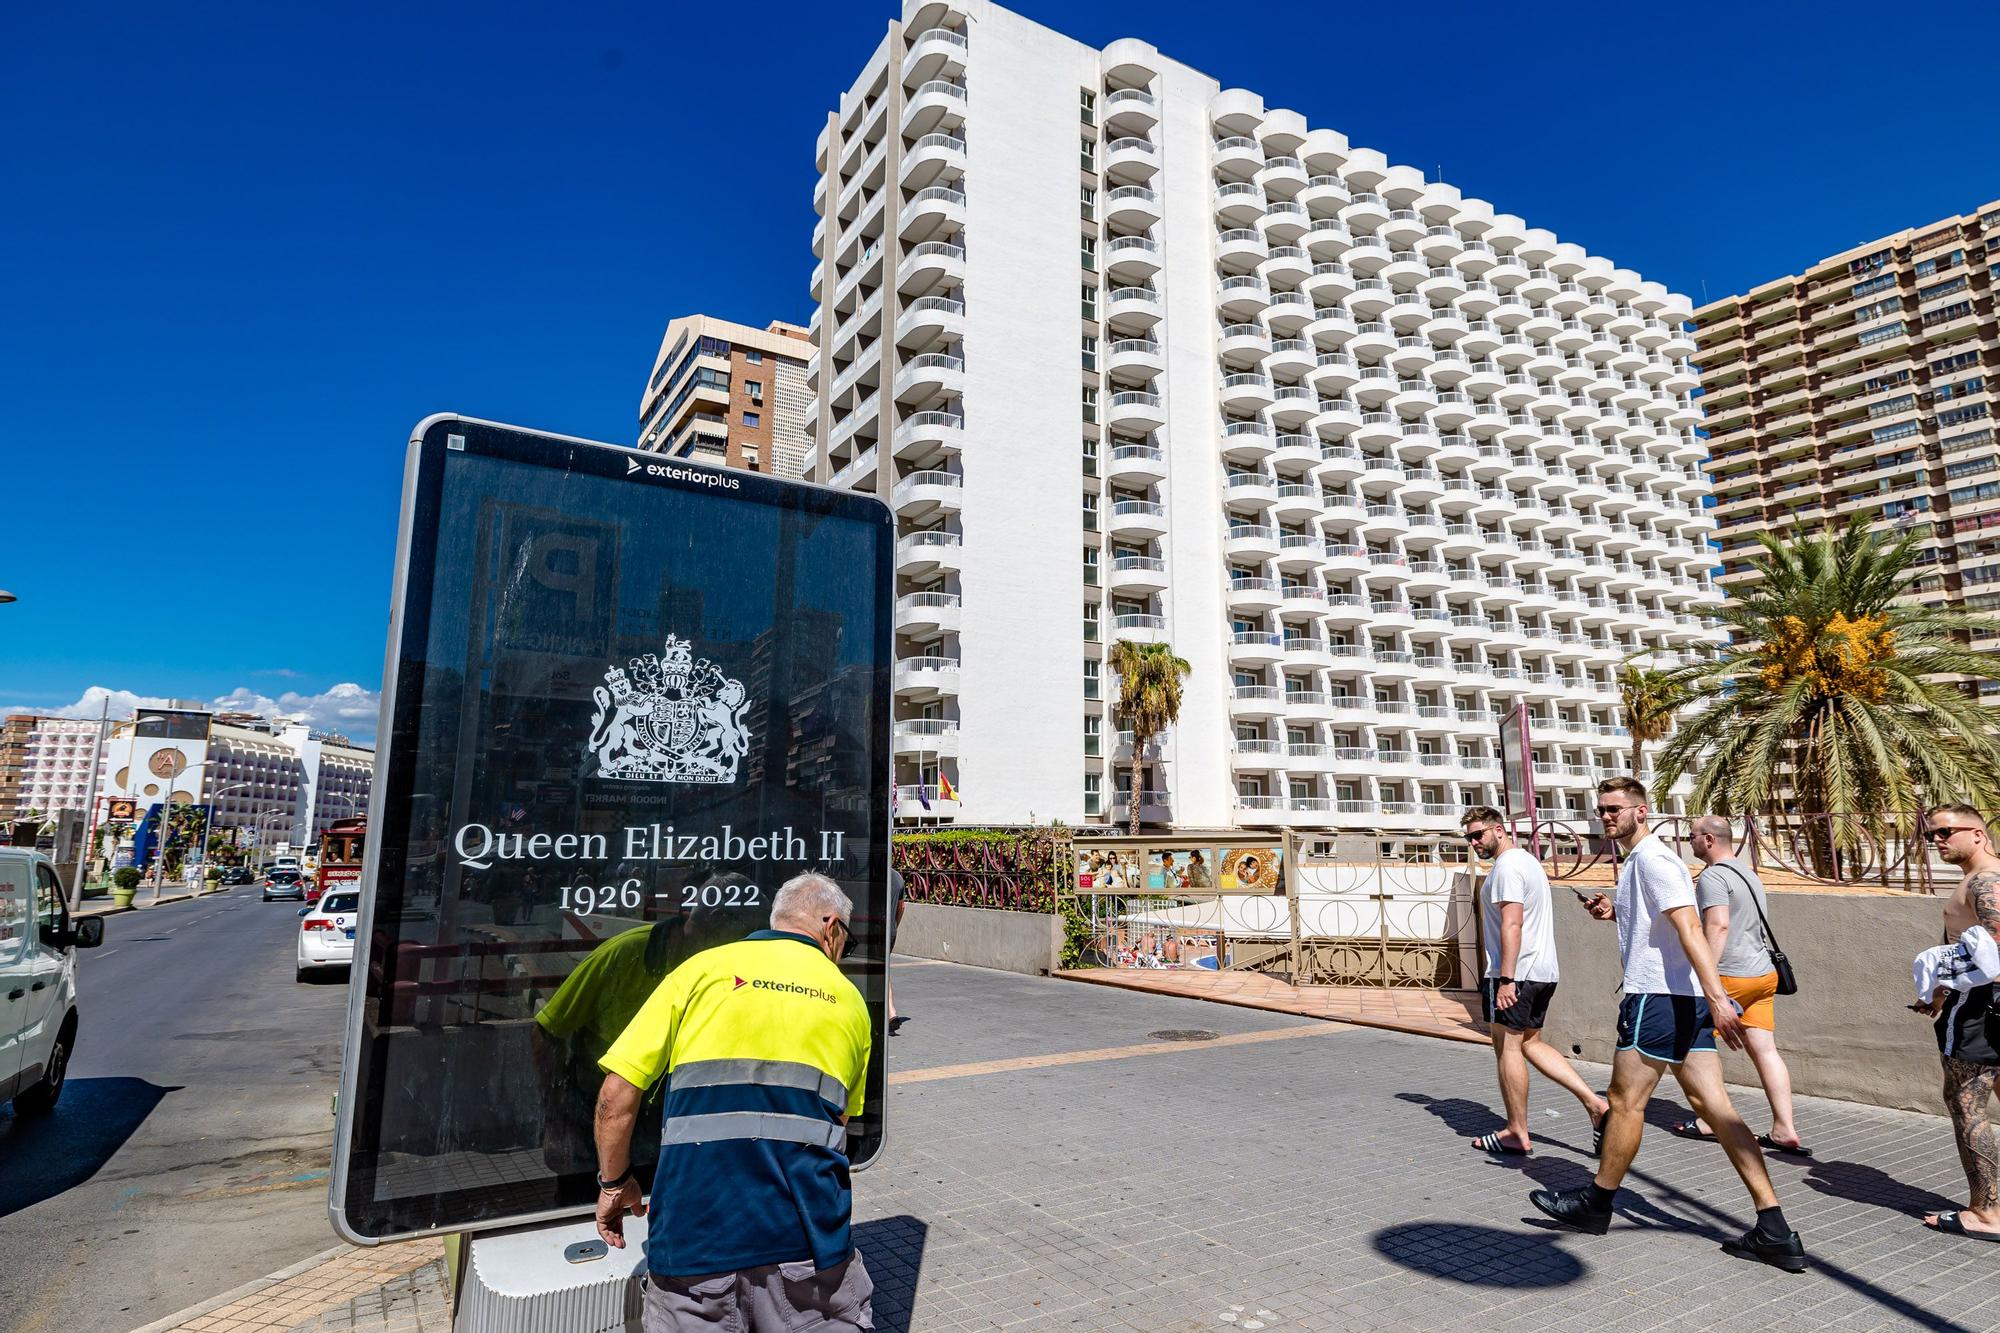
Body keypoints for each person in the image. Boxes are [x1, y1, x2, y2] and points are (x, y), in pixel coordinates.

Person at [1529, 777, 1807, 1272]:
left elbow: (1691, 927)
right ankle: (1775, 1229)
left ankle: (1596, 1204)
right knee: (1715, 1108)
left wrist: (1719, 997)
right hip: (1680, 998)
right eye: (1602, 810)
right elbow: (1661, 925)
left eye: (1616, 809)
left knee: (1623, 1101)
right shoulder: (1639, 862)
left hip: (1657, 999)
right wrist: (1614, 912)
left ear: (1642, 811)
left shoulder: (1655, 860)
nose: (1606, 816)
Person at [592, 872, 875, 1330]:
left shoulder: (700, 970)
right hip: (806, 1248)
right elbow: (836, 1126)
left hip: (694, 1243)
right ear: (830, 926)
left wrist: (614, 1183)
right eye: (847, 939)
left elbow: (617, 1093)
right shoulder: (850, 1001)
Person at [1461, 807, 1608, 1157]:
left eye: (1478, 834)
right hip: (1541, 971)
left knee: (1507, 1049)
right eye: (1468, 837)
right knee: (1531, 1043)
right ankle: (1595, 1104)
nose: (1474, 842)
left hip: (1516, 973)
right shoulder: (1527, 862)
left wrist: (1507, 980)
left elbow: (1512, 924)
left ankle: (1516, 1131)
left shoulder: (1508, 867)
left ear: (1498, 829)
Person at [1668, 816, 1808, 1155]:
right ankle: (1784, 1128)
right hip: (1762, 975)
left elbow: (1717, 926)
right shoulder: (1748, 872)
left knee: (1695, 1046)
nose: (1689, 842)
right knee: (1765, 1051)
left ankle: (1708, 1120)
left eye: (1692, 836)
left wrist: (1707, 978)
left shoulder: (1713, 877)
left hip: (1731, 977)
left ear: (1709, 840)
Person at [1913, 803, 2000, 1242]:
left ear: (1979, 834)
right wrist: (1939, 991)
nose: (1938, 841)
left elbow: (1997, 954)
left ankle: (1987, 1213)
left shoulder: (1985, 880)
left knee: (1966, 1105)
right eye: (1932, 835)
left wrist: (1955, 990)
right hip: (1980, 1001)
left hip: (1983, 1007)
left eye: (1946, 832)